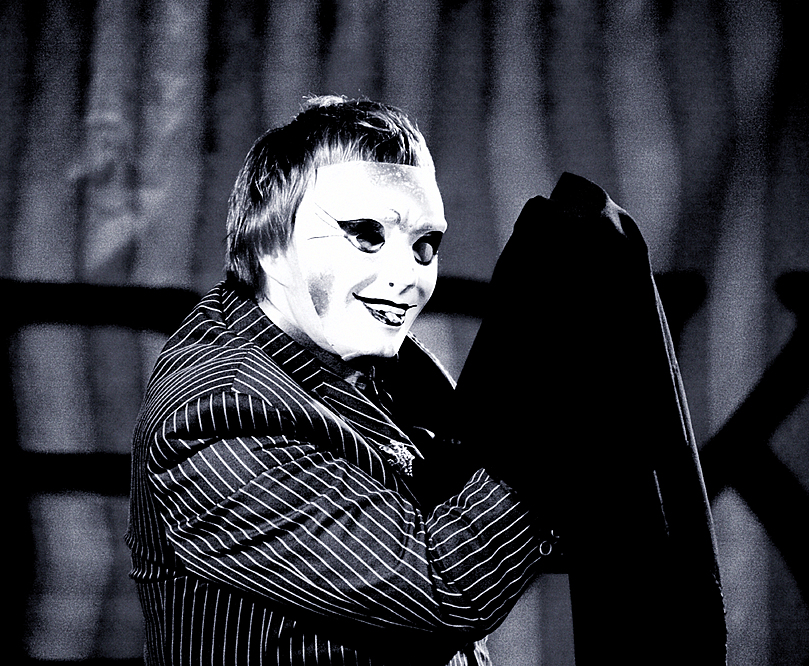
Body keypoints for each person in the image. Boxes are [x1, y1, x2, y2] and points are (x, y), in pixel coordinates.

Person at [127, 95, 726, 666]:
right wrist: (545, 409)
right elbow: (443, 585)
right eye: (366, 234)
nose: (406, 276)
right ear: (269, 244)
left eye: (425, 246)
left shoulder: (368, 369)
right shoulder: (216, 411)